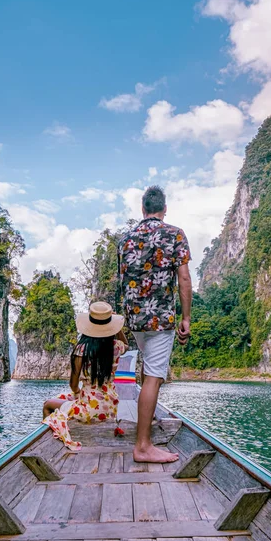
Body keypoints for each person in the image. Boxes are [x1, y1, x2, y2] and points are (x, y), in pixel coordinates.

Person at [118, 185, 192, 464]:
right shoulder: (175, 234)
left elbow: (123, 281)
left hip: (136, 320)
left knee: (147, 372)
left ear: (142, 209)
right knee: (153, 377)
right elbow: (183, 279)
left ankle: (143, 438)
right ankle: (143, 446)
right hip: (160, 319)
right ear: (164, 209)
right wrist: (185, 318)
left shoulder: (125, 240)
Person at [42, 301, 128, 450]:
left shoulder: (82, 349)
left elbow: (74, 386)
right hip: (110, 406)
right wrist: (116, 328)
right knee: (64, 398)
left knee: (48, 405)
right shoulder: (116, 346)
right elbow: (126, 344)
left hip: (89, 408)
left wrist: (77, 394)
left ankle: (50, 447)